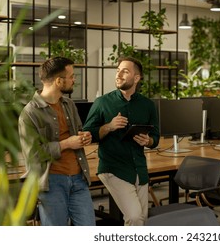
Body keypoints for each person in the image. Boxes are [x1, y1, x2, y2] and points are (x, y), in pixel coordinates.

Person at [18, 57, 96, 226]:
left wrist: (84, 137)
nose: (74, 79)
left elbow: (77, 133)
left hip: (78, 178)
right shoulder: (29, 113)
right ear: (59, 81)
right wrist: (67, 144)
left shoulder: (69, 104)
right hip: (51, 183)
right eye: (71, 76)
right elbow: (33, 155)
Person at [83, 56, 160, 226]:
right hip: (113, 168)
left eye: (125, 71)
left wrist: (148, 141)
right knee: (134, 217)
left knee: (142, 219)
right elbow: (86, 135)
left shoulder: (147, 105)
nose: (119, 74)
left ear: (137, 78)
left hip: (139, 169)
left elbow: (156, 137)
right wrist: (109, 126)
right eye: (118, 70)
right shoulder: (102, 102)